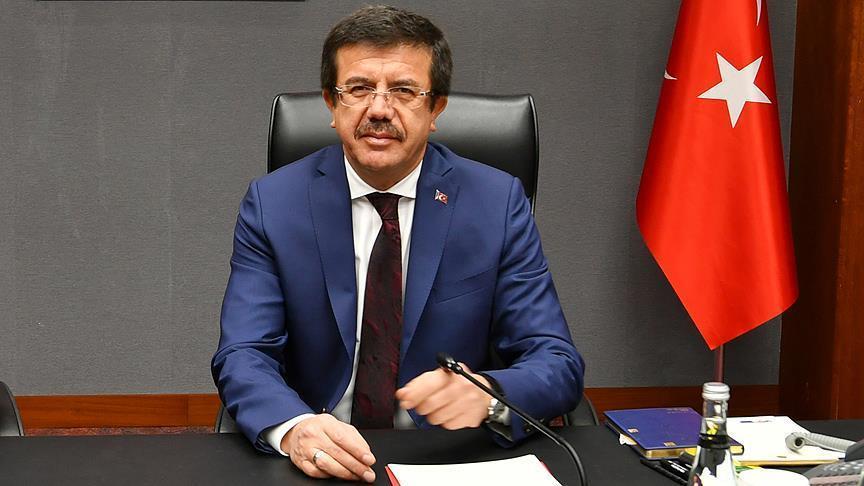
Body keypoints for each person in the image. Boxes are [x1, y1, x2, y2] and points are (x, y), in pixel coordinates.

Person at [212, 5, 584, 483]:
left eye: (405, 91)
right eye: (358, 89)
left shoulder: (496, 203)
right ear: (331, 104)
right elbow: (244, 352)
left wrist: (491, 395)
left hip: (450, 458)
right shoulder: (273, 204)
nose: (379, 109)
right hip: (321, 451)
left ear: (436, 108)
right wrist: (295, 426)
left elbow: (556, 359)